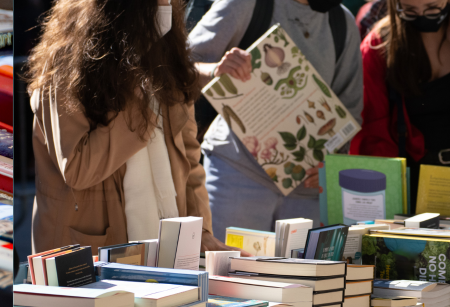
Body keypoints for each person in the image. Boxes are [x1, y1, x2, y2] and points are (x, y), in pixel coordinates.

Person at [26, 0, 248, 255]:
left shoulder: (167, 56)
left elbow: (188, 158)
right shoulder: (66, 61)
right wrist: (136, 85)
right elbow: (78, 169)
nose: (166, 6)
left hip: (165, 251)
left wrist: (201, 231)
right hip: (87, 256)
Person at [188, 0, 364, 240]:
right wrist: (216, 71)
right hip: (237, 176)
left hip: (307, 190)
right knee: (229, 274)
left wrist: (330, 162)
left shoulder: (342, 21)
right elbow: (181, 65)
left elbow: (349, 110)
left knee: (301, 278)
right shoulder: (246, 4)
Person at [350, 0, 450, 212]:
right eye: (410, 11)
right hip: (412, 185)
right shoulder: (378, 46)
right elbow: (373, 135)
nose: (422, 16)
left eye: (432, 8)